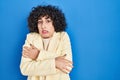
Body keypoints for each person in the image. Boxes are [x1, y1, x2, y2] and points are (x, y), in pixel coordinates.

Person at [20, 5, 73, 80]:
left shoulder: (63, 36)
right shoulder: (31, 38)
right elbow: (24, 69)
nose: (43, 26)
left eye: (48, 21)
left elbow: (67, 66)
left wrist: (38, 55)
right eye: (40, 22)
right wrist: (55, 63)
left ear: (55, 23)